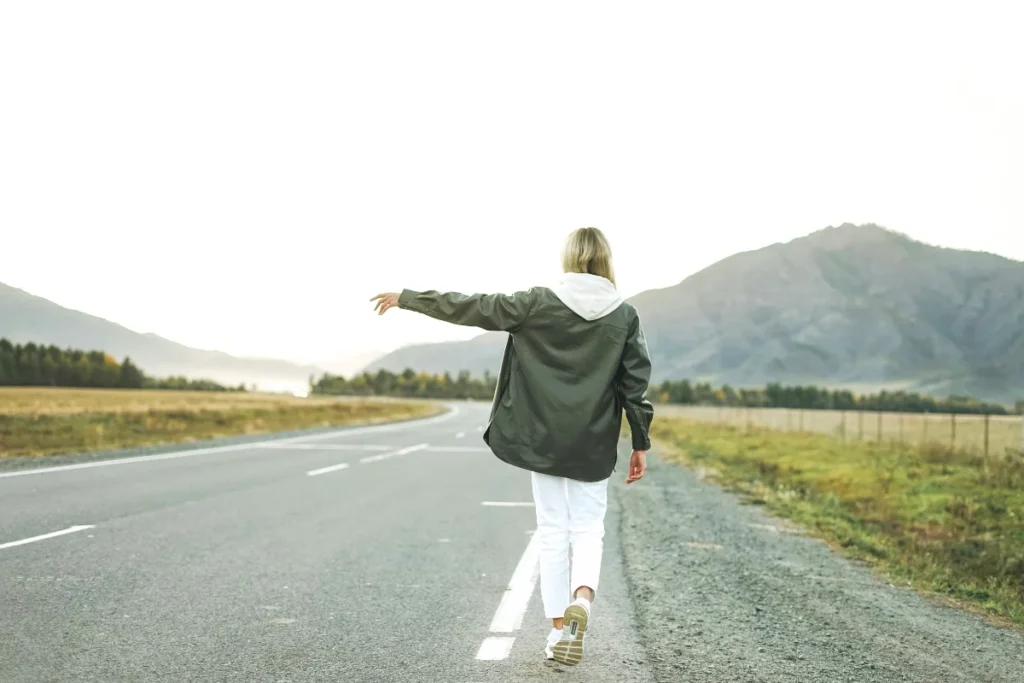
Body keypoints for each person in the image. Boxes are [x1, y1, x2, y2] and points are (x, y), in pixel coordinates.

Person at [370, 227, 653, 667]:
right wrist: (640, 442)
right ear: (605, 260)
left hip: (542, 438)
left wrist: (409, 297)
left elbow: (473, 307)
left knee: (554, 532)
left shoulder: (538, 302)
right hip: (592, 441)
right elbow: (635, 386)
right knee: (588, 528)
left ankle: (559, 631)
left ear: (568, 257)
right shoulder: (625, 316)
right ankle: (584, 600)